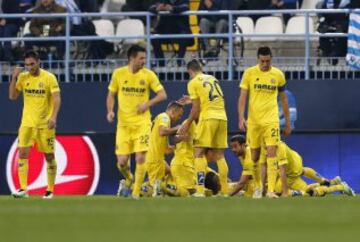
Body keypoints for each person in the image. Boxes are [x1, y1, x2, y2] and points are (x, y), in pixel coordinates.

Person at [107, 44, 167, 199]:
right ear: (131, 59)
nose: (143, 61)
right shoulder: (118, 74)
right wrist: (110, 111)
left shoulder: (148, 75)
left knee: (140, 157)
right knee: (122, 162)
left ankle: (136, 192)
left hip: (142, 123)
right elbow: (111, 95)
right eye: (140, 58)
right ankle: (129, 179)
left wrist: (147, 104)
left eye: (144, 58)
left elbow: (162, 95)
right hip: (123, 125)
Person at [238, 46, 291, 198]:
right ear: (257, 59)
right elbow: (242, 97)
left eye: (268, 61)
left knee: (272, 152)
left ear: (271, 59)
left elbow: (284, 99)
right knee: (254, 156)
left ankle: (271, 191)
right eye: (262, 61)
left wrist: (287, 122)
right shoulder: (249, 73)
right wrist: (241, 117)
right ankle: (257, 187)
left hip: (271, 120)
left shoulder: (278, 75)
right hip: (254, 121)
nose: (265, 64)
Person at [8, 50, 61, 199]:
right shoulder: (23, 78)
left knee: (49, 156)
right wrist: (13, 78)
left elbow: (57, 99)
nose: (30, 67)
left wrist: (54, 117)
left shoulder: (49, 78)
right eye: (27, 65)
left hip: (45, 125)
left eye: (32, 64)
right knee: (23, 154)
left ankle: (50, 190)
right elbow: (12, 96)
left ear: (38, 62)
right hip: (27, 123)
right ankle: (23, 189)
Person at [178, 59, 229, 197]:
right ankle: (225, 191)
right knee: (219, 155)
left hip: (208, 118)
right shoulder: (212, 78)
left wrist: (187, 124)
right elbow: (209, 97)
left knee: (198, 153)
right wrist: (191, 99)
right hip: (222, 117)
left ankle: (200, 191)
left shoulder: (193, 82)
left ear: (190, 71)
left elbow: (195, 110)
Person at [145, 101, 184, 197]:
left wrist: (180, 148)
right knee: (154, 190)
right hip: (155, 159)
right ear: (173, 111)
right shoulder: (164, 117)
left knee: (170, 172)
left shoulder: (164, 121)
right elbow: (162, 132)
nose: (179, 118)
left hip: (156, 158)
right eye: (179, 115)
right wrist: (178, 128)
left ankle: (161, 187)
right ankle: (131, 186)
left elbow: (166, 150)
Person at [149, 0, 194, 67]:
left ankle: (180, 60)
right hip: (164, 31)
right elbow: (151, 8)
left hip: (180, 30)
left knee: (184, 36)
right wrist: (157, 8)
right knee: (154, 37)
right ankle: (161, 63)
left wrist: (172, 8)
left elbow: (185, 7)